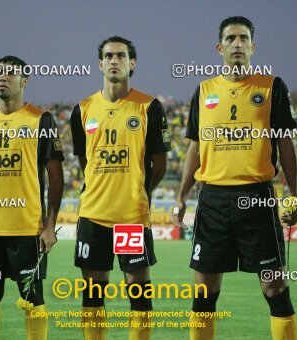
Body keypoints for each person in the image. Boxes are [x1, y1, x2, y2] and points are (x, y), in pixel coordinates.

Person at [171, 16, 297, 339]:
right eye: (230, 39)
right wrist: (181, 197)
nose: (238, 44)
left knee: (274, 286)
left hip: (257, 196)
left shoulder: (272, 87)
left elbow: (285, 144)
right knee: (204, 291)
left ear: (253, 46)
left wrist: (293, 193)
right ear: (219, 48)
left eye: (244, 38)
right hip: (212, 199)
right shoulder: (203, 91)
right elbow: (195, 148)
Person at [70, 36, 171, 340]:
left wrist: (134, 193)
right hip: (93, 216)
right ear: (100, 64)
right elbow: (85, 161)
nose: (114, 60)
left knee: (138, 294)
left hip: (131, 218)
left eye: (121, 56)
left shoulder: (149, 107)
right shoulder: (82, 109)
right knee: (92, 294)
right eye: (108, 56)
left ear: (132, 63)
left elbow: (159, 165)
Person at [0, 55, 64, 339]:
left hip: (26, 230)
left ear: (24, 81)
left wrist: (49, 225)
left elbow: (55, 176)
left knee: (33, 302)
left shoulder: (41, 119)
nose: (2, 77)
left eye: (10, 73)